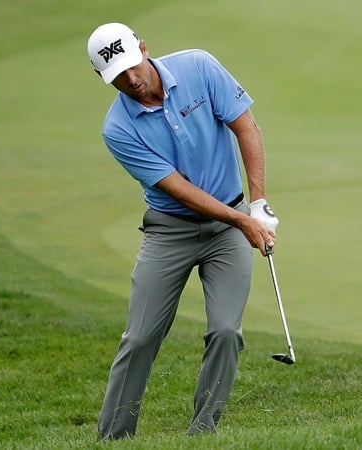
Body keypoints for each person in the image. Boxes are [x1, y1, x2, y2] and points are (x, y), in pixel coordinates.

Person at [86, 22, 279, 439]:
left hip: (228, 227)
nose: (131, 79)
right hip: (169, 232)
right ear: (102, 78)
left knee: (226, 331)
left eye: (132, 65)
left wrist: (258, 203)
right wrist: (245, 220)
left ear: (143, 47)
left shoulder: (199, 67)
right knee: (139, 339)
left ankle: (203, 432)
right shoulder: (118, 129)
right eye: (117, 75)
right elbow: (181, 191)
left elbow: (246, 127)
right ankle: (114, 438)